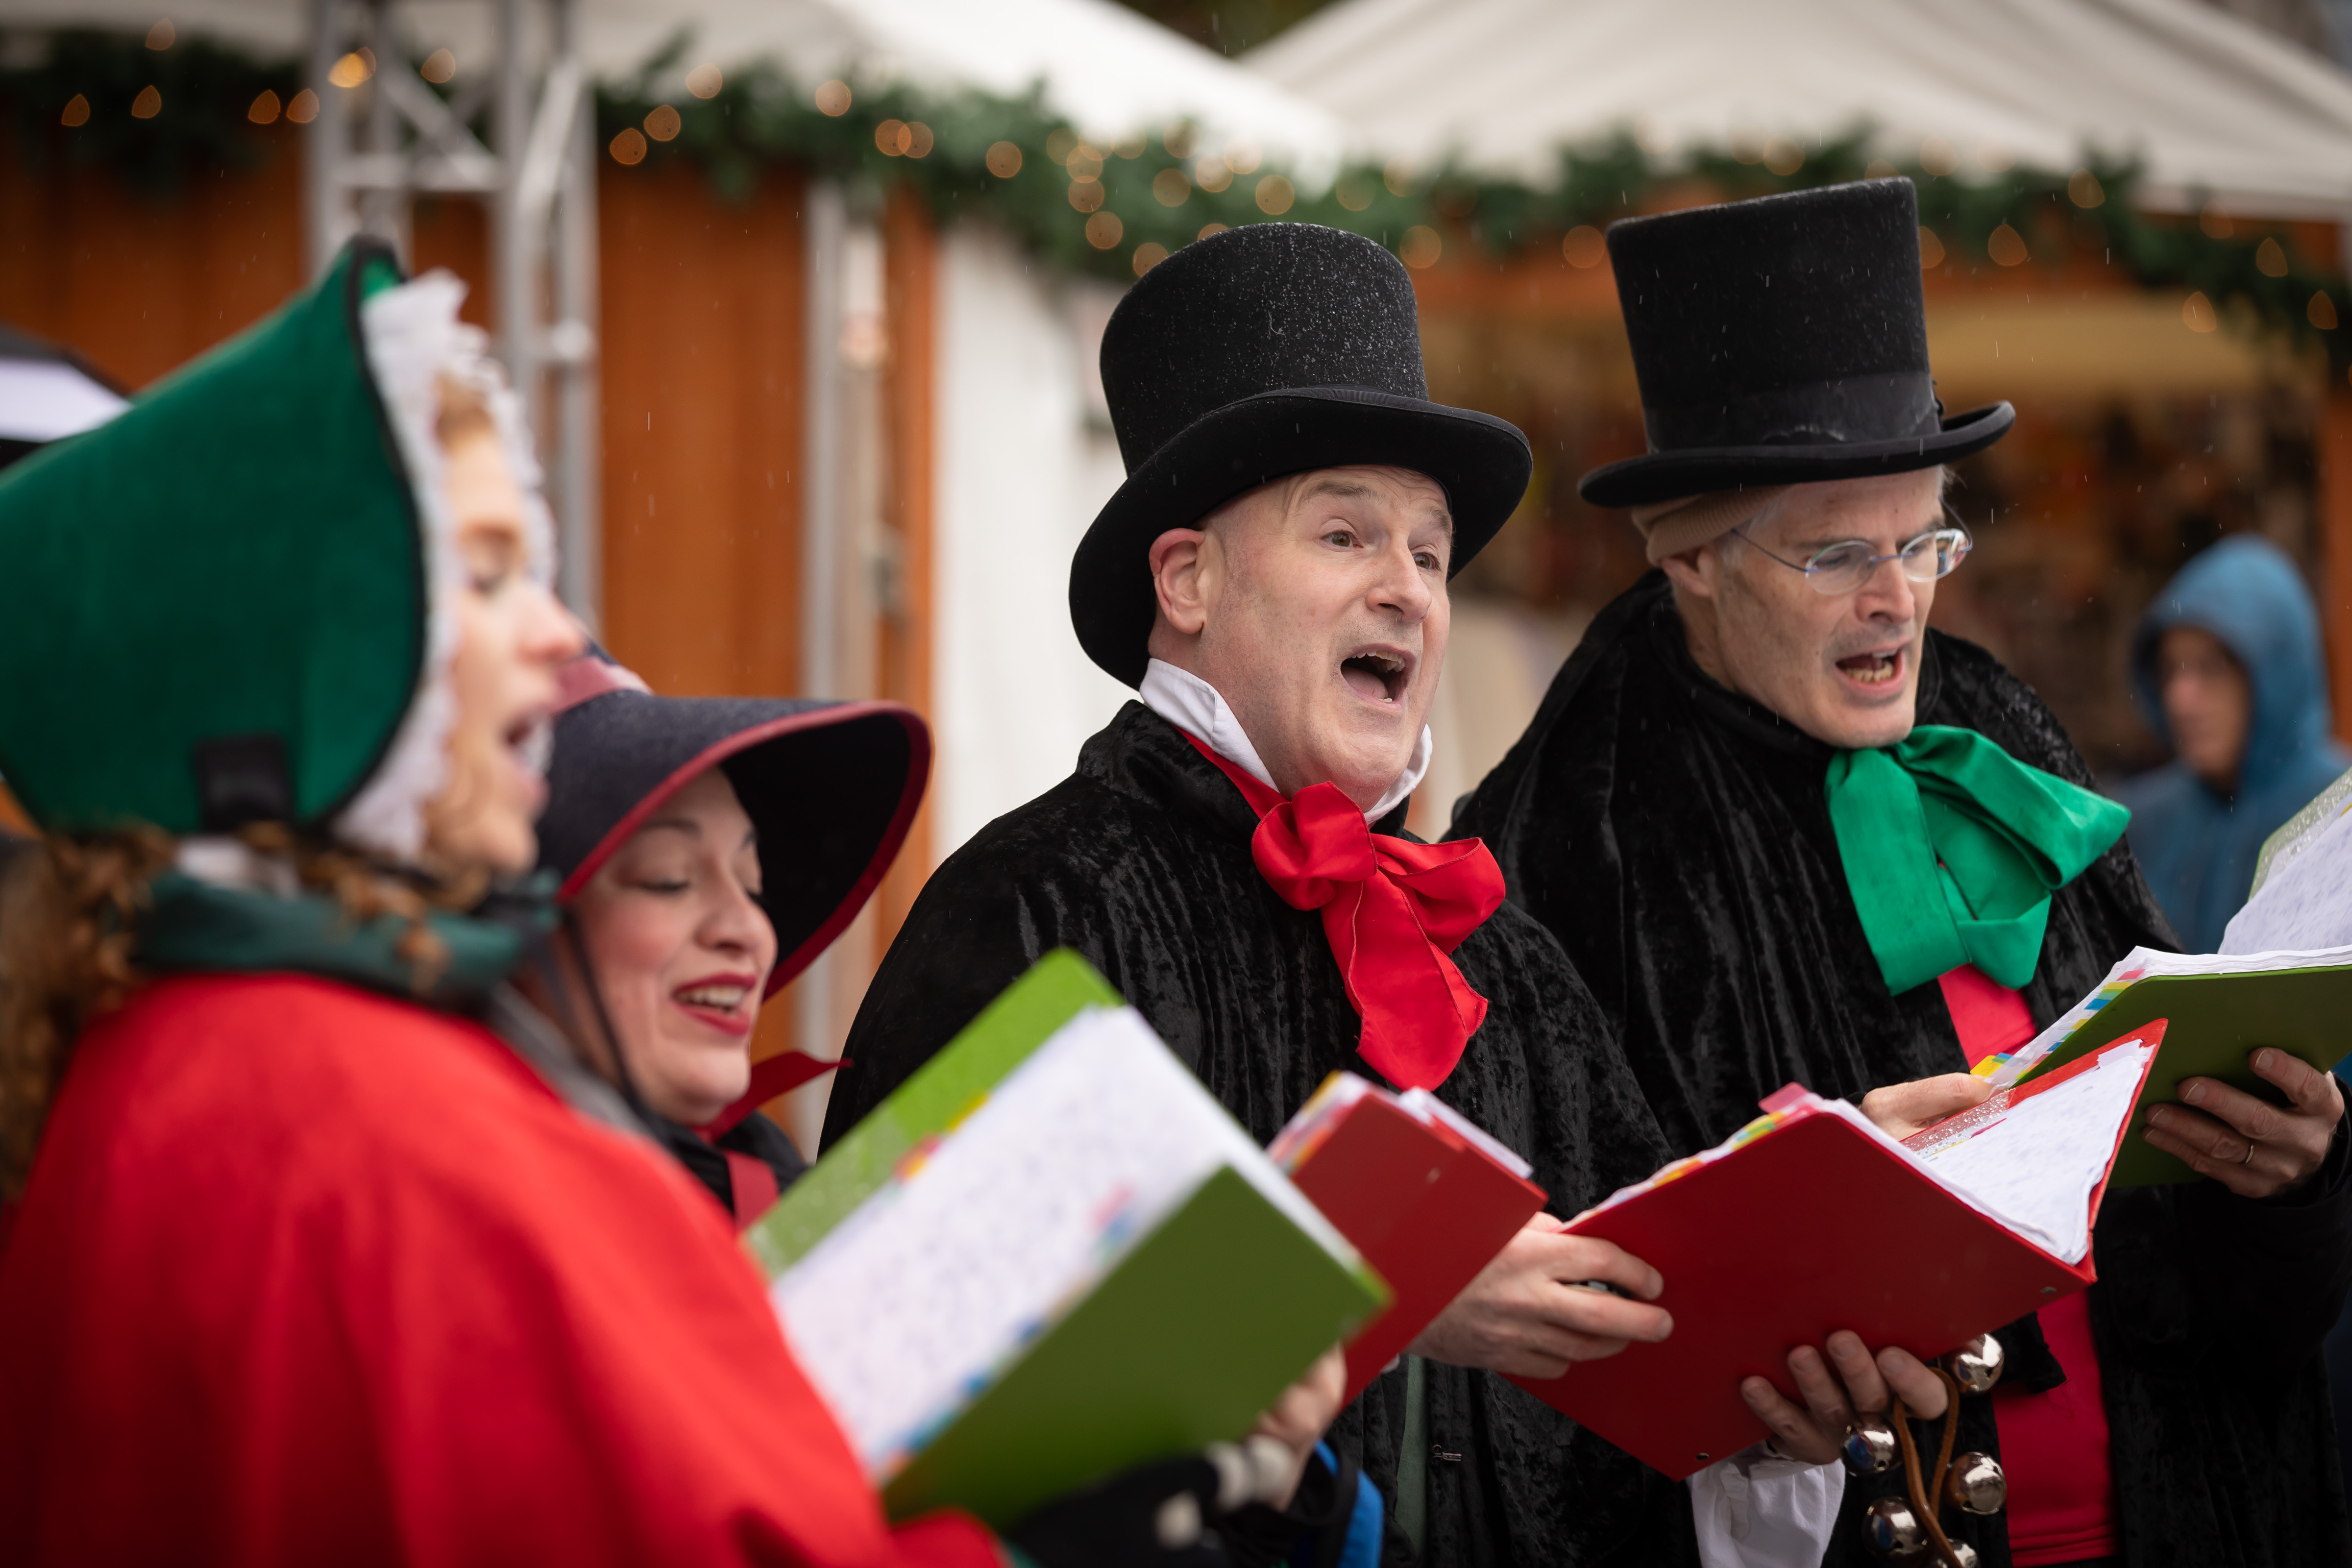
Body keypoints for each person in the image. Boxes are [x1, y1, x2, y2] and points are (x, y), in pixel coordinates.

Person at [0, 244, 1347, 1567]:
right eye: (482, 572)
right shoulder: (404, 1141)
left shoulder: (159, 1055)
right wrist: (1060, 1502)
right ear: (298, 649)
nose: (550, 628)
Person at [826, 221, 1963, 1568]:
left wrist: (1782, 1321)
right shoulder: (1033, 911)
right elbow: (891, 1382)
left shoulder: (1505, 962)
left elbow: (1628, 1409)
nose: (1410, 593)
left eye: (1429, 554)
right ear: (1187, 581)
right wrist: (1365, 1297)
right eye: (1347, 534)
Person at [1455, 178, 2352, 1568]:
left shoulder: (1998, 727)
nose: (1900, 599)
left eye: (1925, 538)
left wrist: (2287, 1181)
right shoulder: (1563, 844)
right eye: (1837, 553)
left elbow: (2221, 1276)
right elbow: (1536, 1380)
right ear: (1690, 557)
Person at [528, 646, 932, 1225]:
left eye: (753, 884)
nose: (748, 930)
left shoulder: (774, 1185)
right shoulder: (464, 1216)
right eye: (668, 877)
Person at [2110, 533, 2351, 953]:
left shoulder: (2340, 812)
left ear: (2275, 672)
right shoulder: (2141, 825)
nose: (2180, 699)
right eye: (2171, 669)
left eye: (2212, 667)